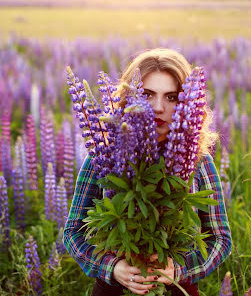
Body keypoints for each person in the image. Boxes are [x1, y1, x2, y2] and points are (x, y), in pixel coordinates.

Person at [63, 48, 232, 296]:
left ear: (188, 104)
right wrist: (113, 268)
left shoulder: (198, 159)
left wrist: (180, 270)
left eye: (172, 97)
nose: (158, 107)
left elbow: (221, 238)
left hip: (176, 288)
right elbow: (73, 232)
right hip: (114, 289)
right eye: (148, 94)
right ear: (130, 98)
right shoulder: (103, 155)